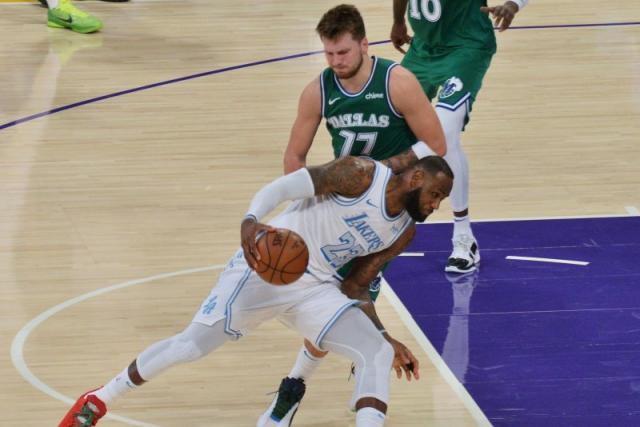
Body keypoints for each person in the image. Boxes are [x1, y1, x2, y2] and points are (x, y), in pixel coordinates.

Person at [58, 155, 454, 427]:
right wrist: (250, 222)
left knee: (377, 352)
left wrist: (386, 335)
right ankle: (99, 399)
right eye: (436, 195)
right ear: (416, 178)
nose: (436, 205)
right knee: (191, 346)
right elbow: (283, 188)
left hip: (315, 288)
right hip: (264, 267)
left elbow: (355, 286)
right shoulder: (361, 175)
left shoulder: (403, 230)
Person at [259, 5, 448, 425]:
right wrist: (303, 197)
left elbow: (435, 143)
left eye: (343, 52)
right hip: (341, 208)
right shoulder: (319, 90)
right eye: (328, 54)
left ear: (364, 44)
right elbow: (295, 154)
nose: (336, 62)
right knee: (337, 299)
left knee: (346, 297)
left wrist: (385, 173)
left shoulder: (397, 82)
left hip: (390, 213)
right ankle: (341, 378)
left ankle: (308, 384)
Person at [391, 0, 529, 273]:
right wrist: (398, 20)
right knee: (393, 123)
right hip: (423, 48)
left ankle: (464, 236)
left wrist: (514, 4)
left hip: (467, 45)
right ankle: (384, 220)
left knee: (444, 132)